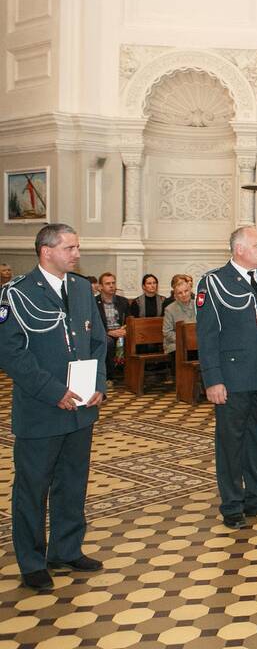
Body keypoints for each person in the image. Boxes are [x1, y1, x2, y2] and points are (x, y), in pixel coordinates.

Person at [0, 224, 106, 590]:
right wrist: (52, 391)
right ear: (46, 251)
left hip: (81, 409)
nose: (77, 253)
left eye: (77, 246)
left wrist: (98, 386)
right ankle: (31, 561)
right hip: (41, 410)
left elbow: (97, 341)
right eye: (70, 247)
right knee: (33, 487)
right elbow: (11, 353)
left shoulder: (80, 288)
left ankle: (66, 548)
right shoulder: (16, 294)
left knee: (73, 483)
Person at [196, 226, 257, 529]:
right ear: (239, 249)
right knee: (230, 443)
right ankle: (232, 504)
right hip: (233, 378)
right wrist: (213, 379)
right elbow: (208, 336)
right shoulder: (214, 282)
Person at [95, 272, 130, 381]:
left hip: (122, 333)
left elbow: (130, 319)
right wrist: (108, 332)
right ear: (100, 287)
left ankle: (130, 374)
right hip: (104, 334)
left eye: (113, 283)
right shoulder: (94, 302)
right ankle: (109, 376)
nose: (111, 286)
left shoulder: (123, 301)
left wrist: (125, 329)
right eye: (107, 283)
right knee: (108, 341)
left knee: (135, 339)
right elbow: (92, 324)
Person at [162, 274, 196, 363]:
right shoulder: (169, 309)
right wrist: (185, 340)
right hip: (176, 344)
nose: (184, 295)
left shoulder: (199, 305)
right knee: (183, 352)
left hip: (196, 343)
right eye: (180, 293)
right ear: (175, 295)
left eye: (186, 291)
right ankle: (180, 376)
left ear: (190, 291)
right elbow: (167, 332)